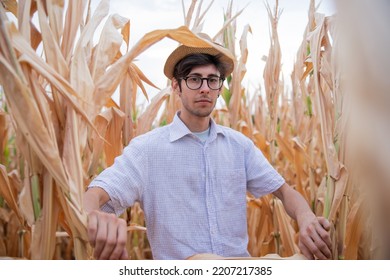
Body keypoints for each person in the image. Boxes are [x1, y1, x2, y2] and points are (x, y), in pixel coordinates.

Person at [83, 34, 332, 260]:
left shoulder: (239, 146)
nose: (204, 88)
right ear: (176, 86)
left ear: (220, 87)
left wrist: (306, 217)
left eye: (212, 80)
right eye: (194, 79)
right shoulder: (147, 151)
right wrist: (95, 217)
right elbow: (95, 194)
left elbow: (286, 193)